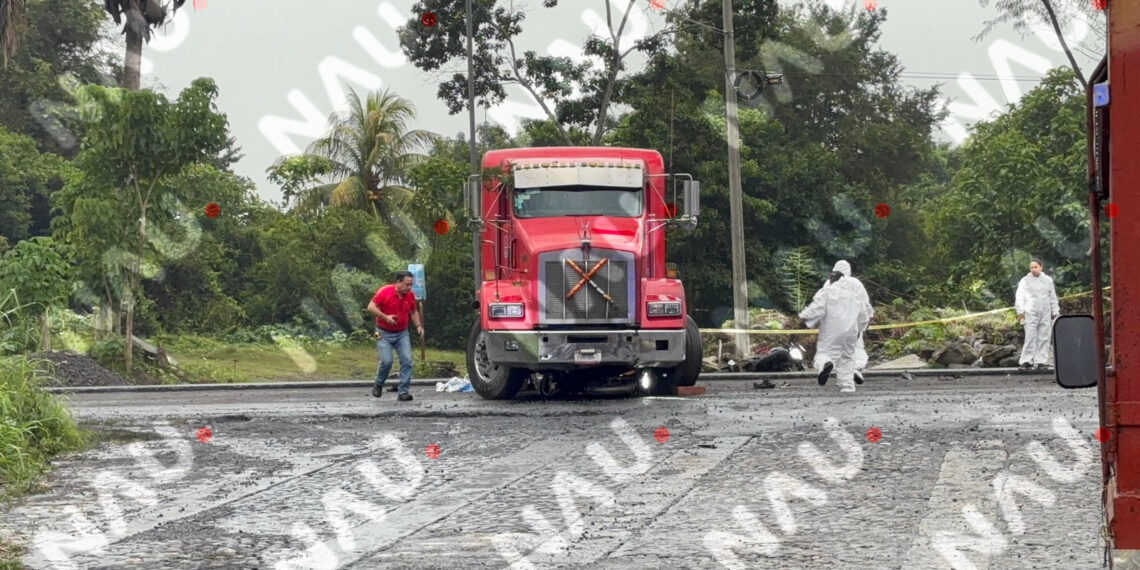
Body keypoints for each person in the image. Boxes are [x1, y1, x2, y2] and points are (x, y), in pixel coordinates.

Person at [799, 260, 873, 393]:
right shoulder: (855, 291)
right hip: (852, 331)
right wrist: (862, 328)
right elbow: (864, 313)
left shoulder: (827, 289)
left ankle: (825, 365)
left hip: (831, 330)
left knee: (823, 353)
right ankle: (847, 386)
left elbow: (816, 307)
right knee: (848, 357)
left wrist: (804, 318)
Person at [368, 271, 424, 401]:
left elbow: (413, 311)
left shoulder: (410, 295)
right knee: (386, 361)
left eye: (411, 285)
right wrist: (385, 317)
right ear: (398, 282)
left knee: (407, 360)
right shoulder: (384, 291)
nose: (409, 287)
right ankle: (378, 384)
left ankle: (403, 391)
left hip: (402, 333)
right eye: (407, 284)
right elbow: (370, 307)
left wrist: (419, 326)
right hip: (380, 332)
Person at [821, 261, 874, 384]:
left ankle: (828, 365)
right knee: (856, 348)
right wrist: (866, 322)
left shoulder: (828, 283)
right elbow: (864, 303)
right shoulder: (855, 283)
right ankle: (855, 369)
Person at [1015, 257, 1060, 371]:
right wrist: (1020, 312)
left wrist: (1055, 311)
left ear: (1041, 267)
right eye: (1031, 267)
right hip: (1030, 312)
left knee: (1044, 336)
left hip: (1045, 311)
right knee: (1030, 336)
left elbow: (1052, 296)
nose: (1033, 269)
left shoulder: (1048, 280)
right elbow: (1020, 296)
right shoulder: (1025, 280)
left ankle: (1041, 361)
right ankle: (1026, 360)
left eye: (1035, 267)